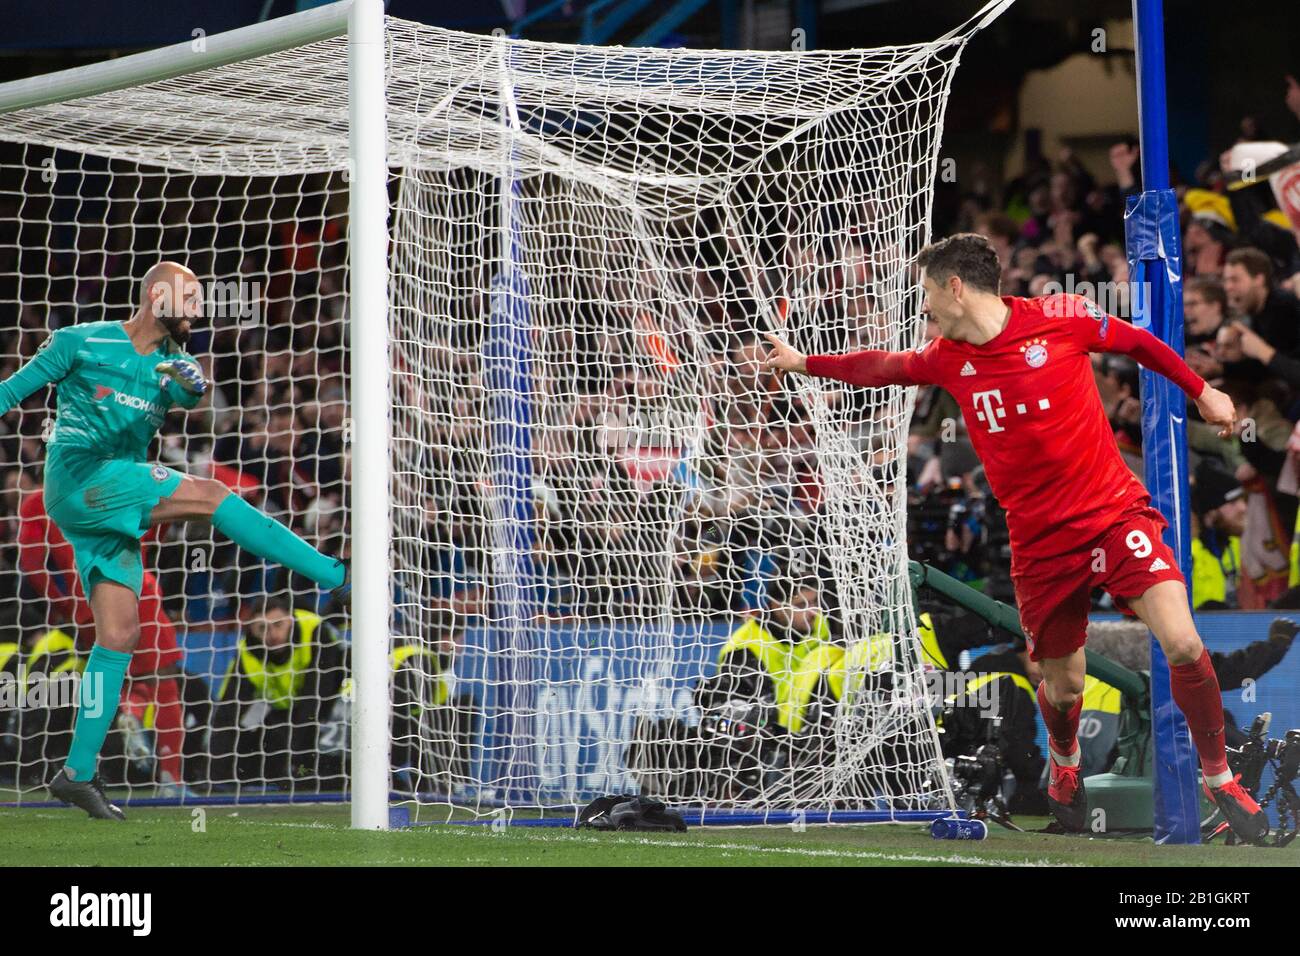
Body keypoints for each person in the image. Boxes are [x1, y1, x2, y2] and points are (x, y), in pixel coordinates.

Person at [761, 232, 1269, 842]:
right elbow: (884, 368)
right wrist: (803, 363)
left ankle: (1220, 778)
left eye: (926, 293)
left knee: (1184, 644)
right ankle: (1064, 761)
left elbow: (1138, 342)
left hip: (1113, 516)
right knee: (1065, 683)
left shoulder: (1062, 318)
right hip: (1039, 544)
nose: (922, 309)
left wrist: (1203, 390)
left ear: (955, 286)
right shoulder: (945, 355)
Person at [0, 261, 346, 820]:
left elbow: (191, 397)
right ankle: (335, 575)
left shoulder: (173, 366)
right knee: (209, 495)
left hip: (111, 507)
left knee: (120, 635)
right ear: (158, 295)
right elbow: (10, 392)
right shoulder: (78, 342)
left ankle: (77, 774)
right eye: (191, 297)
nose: (200, 309)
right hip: (79, 478)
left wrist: (192, 389)